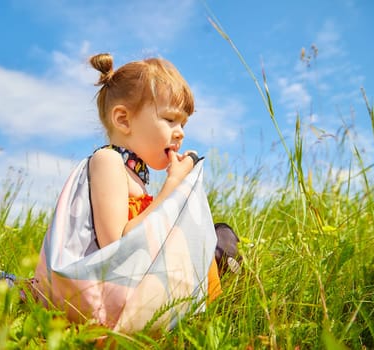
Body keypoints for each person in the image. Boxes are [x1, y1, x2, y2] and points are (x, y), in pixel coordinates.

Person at [32, 53, 237, 333]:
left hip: (132, 285)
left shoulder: (134, 175)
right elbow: (117, 244)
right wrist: (171, 187)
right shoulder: (108, 161)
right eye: (170, 120)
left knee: (217, 233)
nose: (180, 133)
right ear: (124, 120)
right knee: (217, 242)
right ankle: (218, 269)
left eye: (183, 125)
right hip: (110, 295)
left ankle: (218, 267)